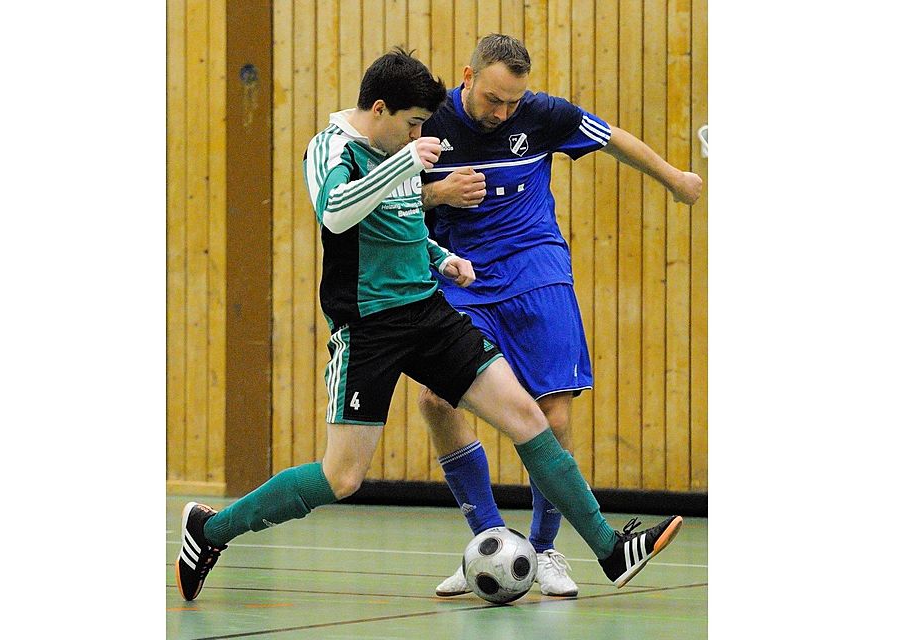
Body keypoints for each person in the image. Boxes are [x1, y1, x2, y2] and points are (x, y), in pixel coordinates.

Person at [175, 48, 683, 603]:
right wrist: (406, 163)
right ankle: (211, 529)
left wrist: (442, 258)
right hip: (369, 329)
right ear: (380, 109)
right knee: (342, 477)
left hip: (428, 314)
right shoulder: (333, 147)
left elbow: (403, 224)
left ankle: (609, 549)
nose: (421, 133)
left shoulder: (400, 148)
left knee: (527, 417)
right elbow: (336, 212)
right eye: (413, 123)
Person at [418, 34, 702, 598]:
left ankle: (544, 550)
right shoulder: (428, 124)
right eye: (493, 99)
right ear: (467, 76)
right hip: (461, 275)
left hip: (536, 270)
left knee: (554, 411)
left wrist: (675, 179)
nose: (503, 113)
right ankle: (491, 544)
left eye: (512, 103)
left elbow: (613, 138)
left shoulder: (542, 114)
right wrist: (440, 194)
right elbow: (390, 202)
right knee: (434, 401)